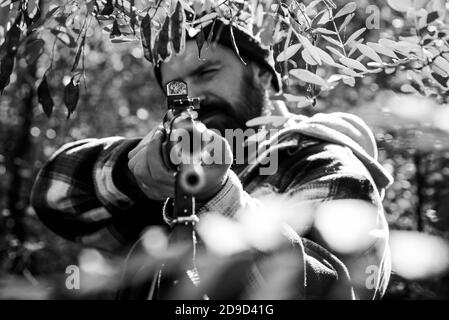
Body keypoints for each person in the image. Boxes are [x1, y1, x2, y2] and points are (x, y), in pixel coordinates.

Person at [30, 15, 393, 300]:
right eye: (177, 89)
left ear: (263, 75)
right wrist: (132, 173)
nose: (193, 97)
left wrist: (217, 197)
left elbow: (334, 291)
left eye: (207, 72)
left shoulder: (322, 161)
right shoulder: (168, 171)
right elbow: (53, 194)